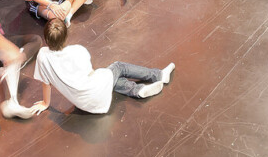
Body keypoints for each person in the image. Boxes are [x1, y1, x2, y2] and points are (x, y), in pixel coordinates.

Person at [33, 16, 175, 114]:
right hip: (94, 91)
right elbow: (90, 73)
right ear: (65, 37)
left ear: (46, 39)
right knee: (118, 67)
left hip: (83, 104)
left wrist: (46, 104)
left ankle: (138, 90)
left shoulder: (42, 56)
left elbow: (46, 83)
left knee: (110, 79)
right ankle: (159, 74)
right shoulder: (77, 51)